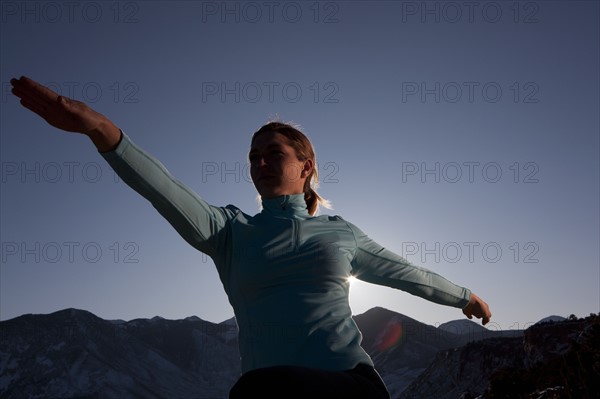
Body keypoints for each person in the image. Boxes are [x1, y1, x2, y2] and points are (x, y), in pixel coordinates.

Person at [10, 76, 492, 399]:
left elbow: (406, 273)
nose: (259, 162)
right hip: (269, 387)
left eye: (272, 153)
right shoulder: (229, 231)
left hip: (349, 384)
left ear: (306, 167)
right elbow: (162, 188)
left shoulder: (340, 233)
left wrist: (463, 296)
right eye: (253, 155)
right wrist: (101, 130)